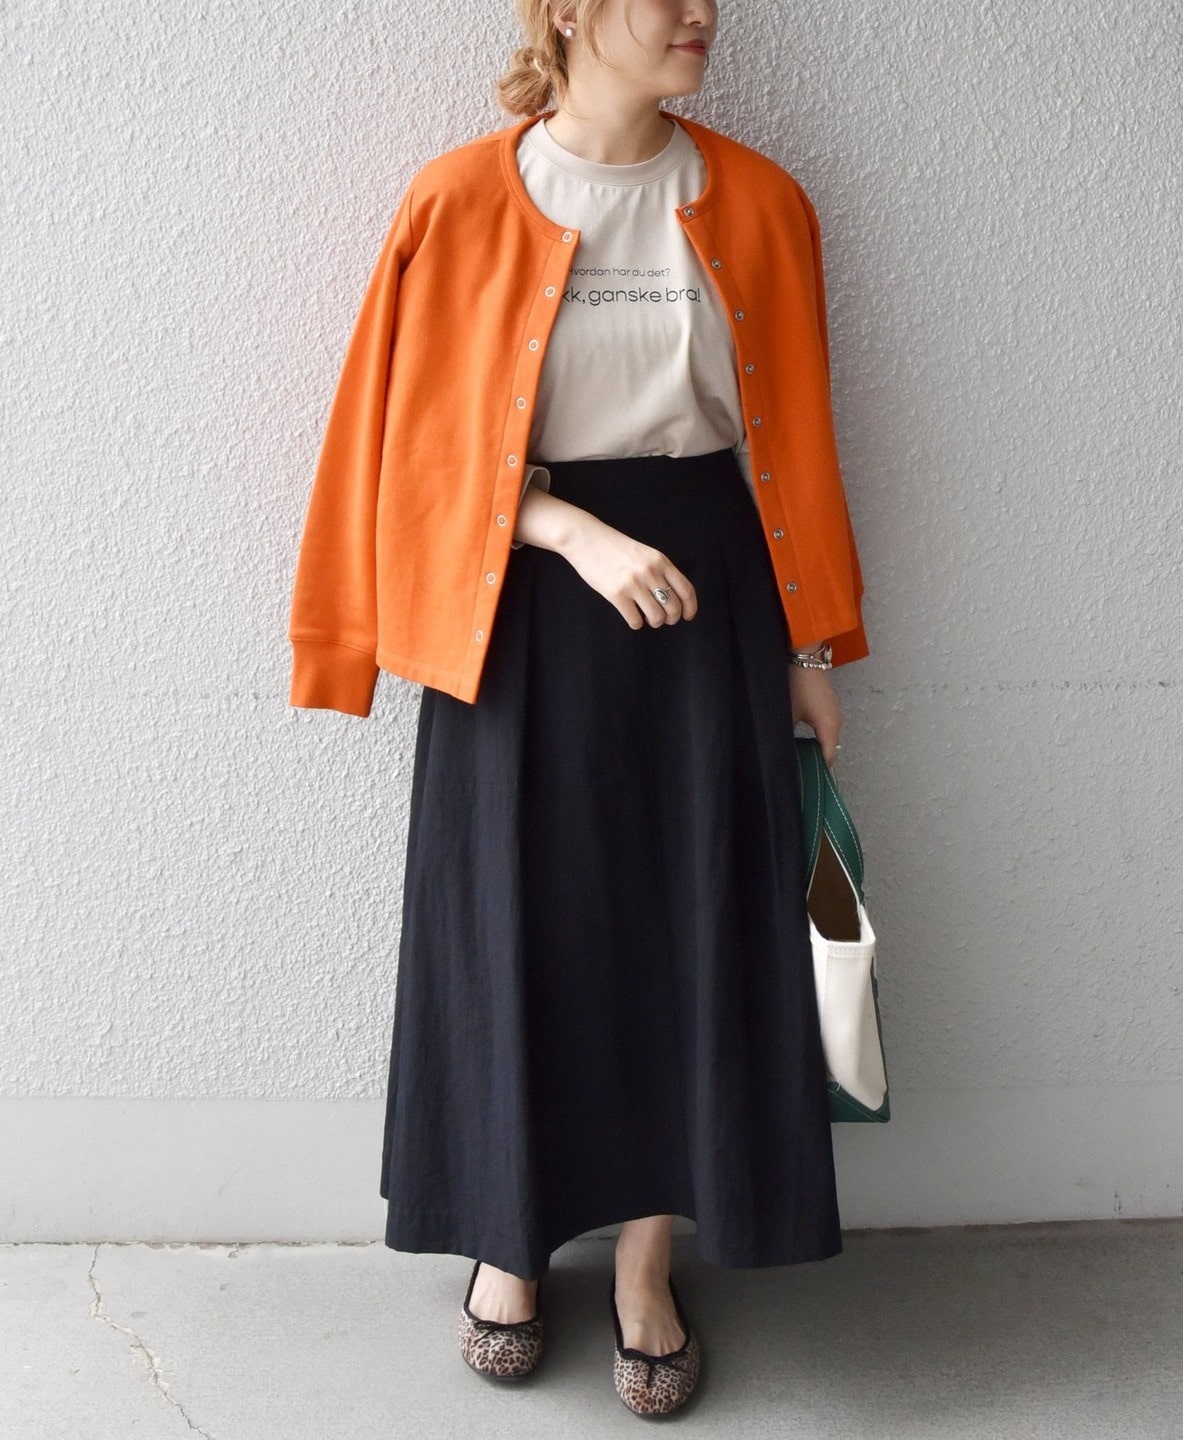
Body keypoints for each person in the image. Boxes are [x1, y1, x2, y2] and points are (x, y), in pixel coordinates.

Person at [287, 0, 869, 1417]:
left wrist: (814, 643)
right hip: (519, 603)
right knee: (513, 918)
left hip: (711, 602)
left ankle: (646, 1267)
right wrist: (569, 533)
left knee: (691, 925)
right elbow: (410, 441)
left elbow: (794, 436)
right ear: (566, 10)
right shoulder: (459, 198)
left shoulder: (762, 202)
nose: (700, 15)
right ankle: (508, 1240)